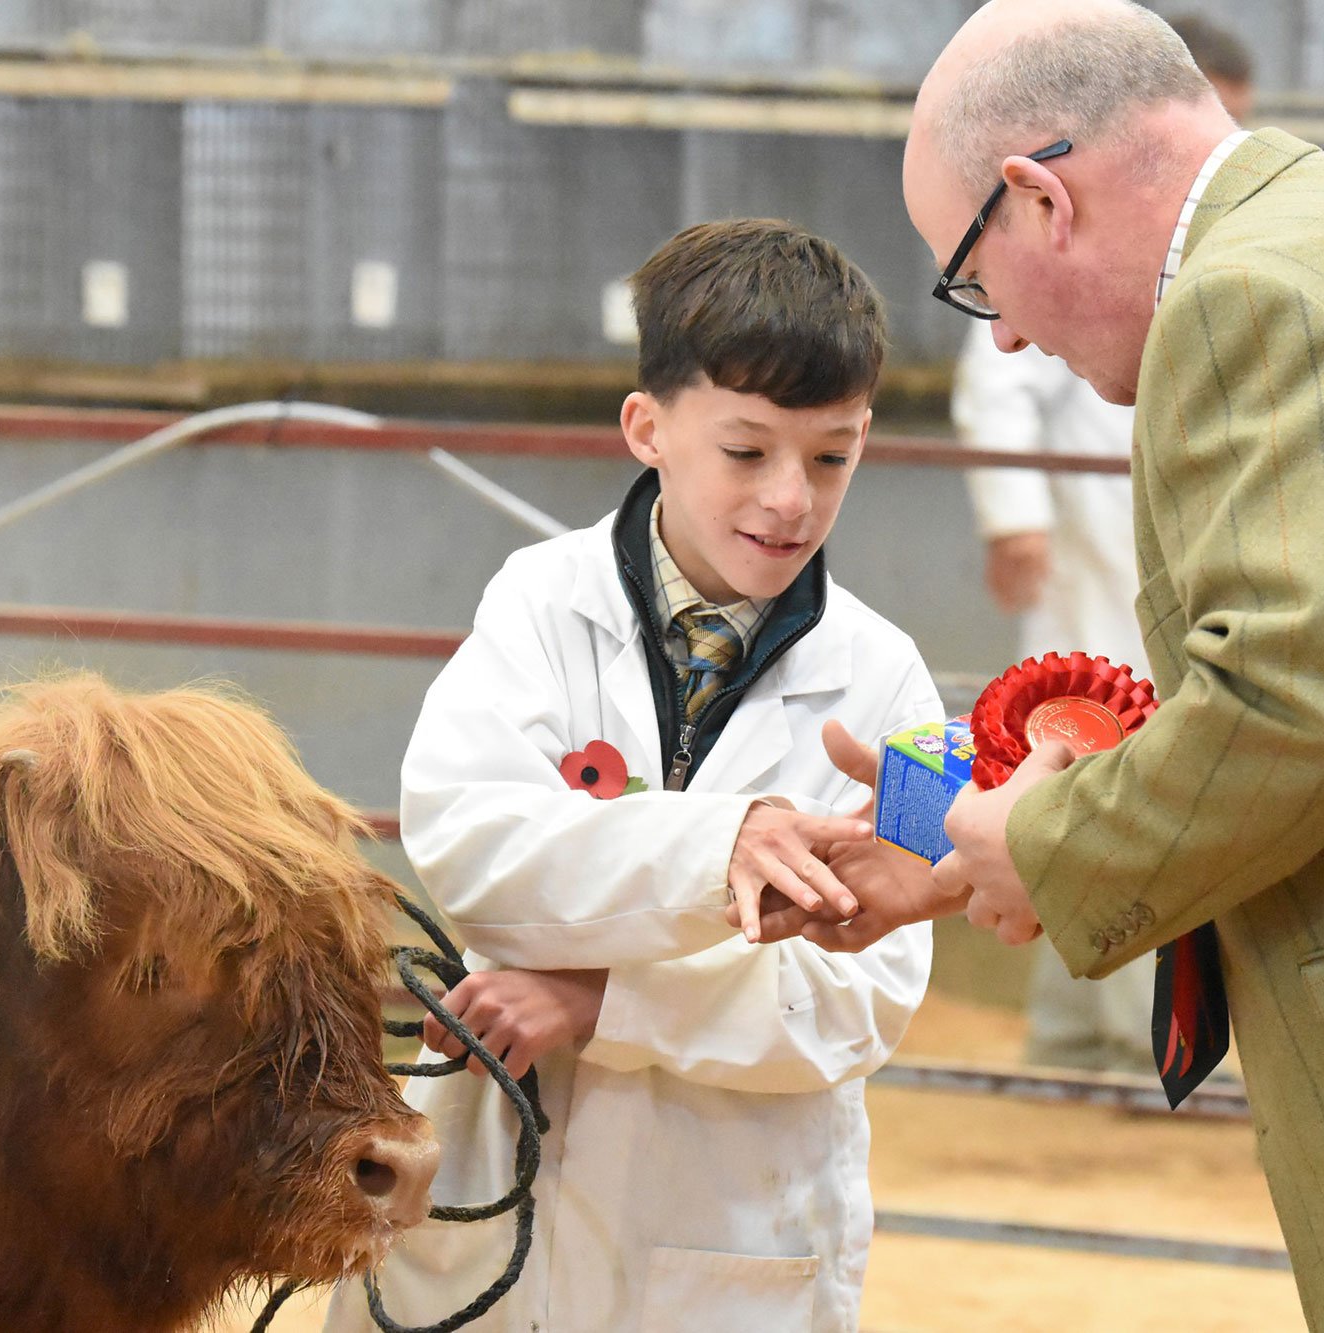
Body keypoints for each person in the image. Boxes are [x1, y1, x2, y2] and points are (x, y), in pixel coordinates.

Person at [760, 1, 1324, 1327]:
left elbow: (1300, 713)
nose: (999, 334)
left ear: (1036, 197)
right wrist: (986, 820)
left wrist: (1048, 845)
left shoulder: (1254, 297)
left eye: (971, 273)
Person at [324, 219, 939, 1333]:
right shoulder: (536, 603)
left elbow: (867, 1000)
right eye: (746, 452)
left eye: (832, 455)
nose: (790, 498)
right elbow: (468, 839)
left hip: (729, 1237)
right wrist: (719, 847)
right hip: (487, 1202)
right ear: (646, 428)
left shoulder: (892, 687)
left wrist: (603, 1000)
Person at [955, 11, 1255, 1076]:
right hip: (1092, 548)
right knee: (1092, 760)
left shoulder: (1240, 240)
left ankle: (1084, 1028)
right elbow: (995, 370)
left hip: (1167, 545)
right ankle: (1106, 1034)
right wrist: (1015, 517)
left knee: (1119, 762)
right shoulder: (1051, 229)